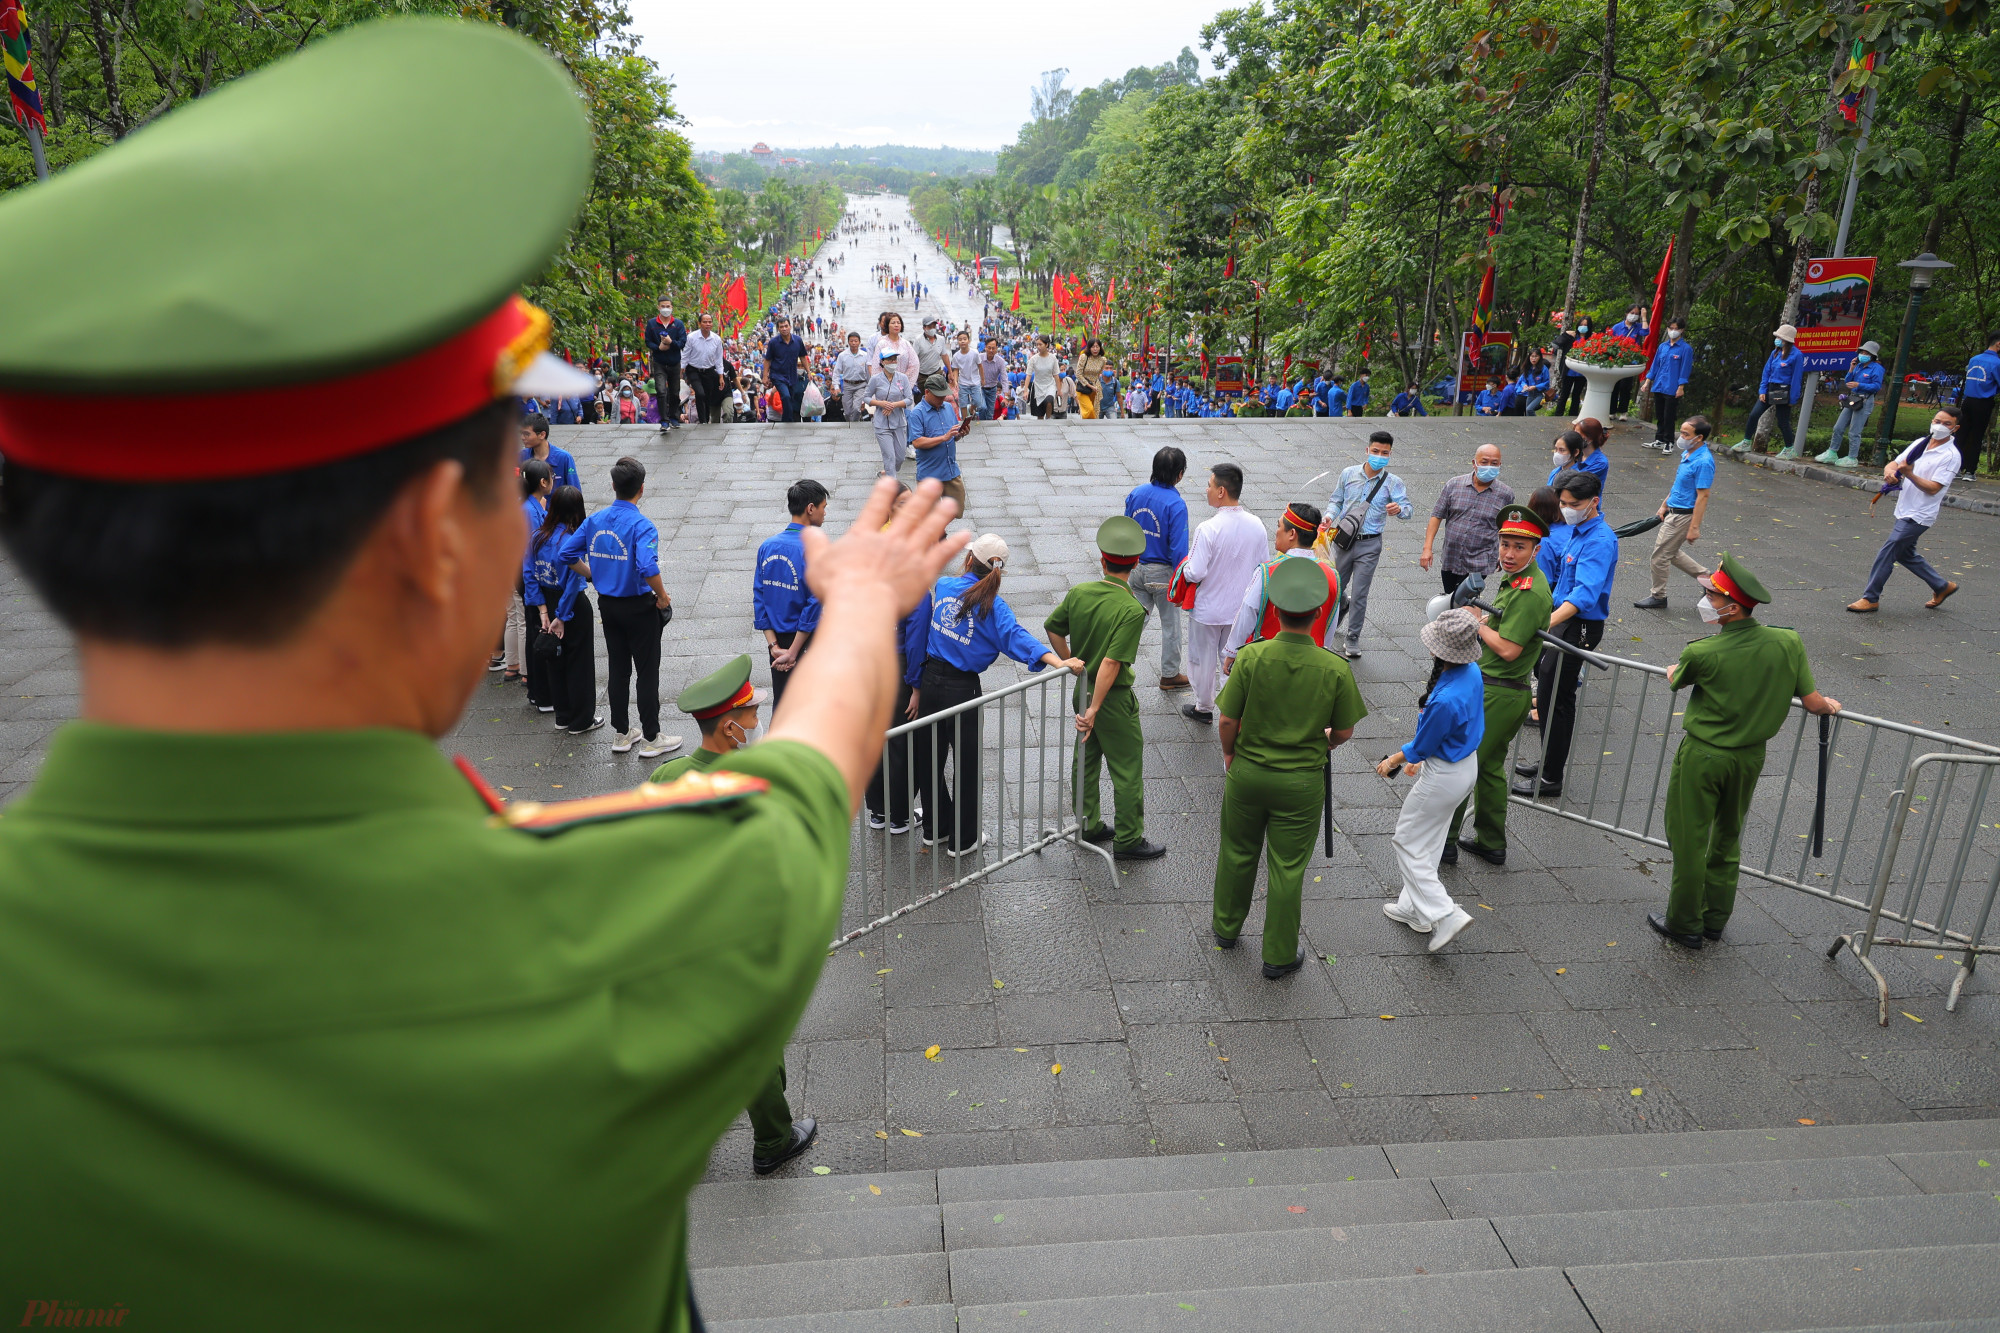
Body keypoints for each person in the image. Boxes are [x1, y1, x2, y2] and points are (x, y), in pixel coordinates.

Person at [0, 20, 974, 1329]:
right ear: (418, 533)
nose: (523, 522)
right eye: (504, 480)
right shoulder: (626, 929)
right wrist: (862, 594)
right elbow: (807, 774)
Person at [643, 656, 815, 1173]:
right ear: (729, 727)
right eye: (751, 715)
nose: (756, 723)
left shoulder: (667, 774)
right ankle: (773, 1140)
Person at [1653, 555, 1842, 948]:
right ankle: (1715, 919)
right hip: (1750, 757)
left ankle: (1685, 921)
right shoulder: (1787, 641)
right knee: (1727, 836)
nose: (1704, 599)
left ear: (1732, 606)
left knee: (1688, 839)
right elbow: (1812, 701)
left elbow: (1677, 677)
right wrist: (1829, 706)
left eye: (1710, 594)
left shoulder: (1702, 652)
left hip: (1704, 756)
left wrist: (1674, 669)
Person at [1213, 558, 1369, 977]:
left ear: (1275, 610)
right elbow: (1345, 731)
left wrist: (1230, 753)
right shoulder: (1335, 668)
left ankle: (1226, 929)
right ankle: (1278, 955)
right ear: (1319, 613)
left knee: (1237, 851)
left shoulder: (1250, 658)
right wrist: (1324, 742)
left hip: (1248, 773)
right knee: (1286, 867)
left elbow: (1227, 719)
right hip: (1301, 781)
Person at [918, 535, 1081, 857]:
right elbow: (1016, 637)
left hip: (929, 681)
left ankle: (935, 829)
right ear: (999, 571)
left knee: (928, 759)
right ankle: (963, 841)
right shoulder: (994, 606)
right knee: (965, 765)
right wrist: (1059, 661)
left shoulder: (946, 586)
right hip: (963, 688)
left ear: (968, 560)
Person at [1048, 517, 1165, 860]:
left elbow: (1053, 628)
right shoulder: (1131, 609)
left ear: (1102, 560)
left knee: (1085, 759)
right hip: (1110, 699)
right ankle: (1128, 838)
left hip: (1083, 689)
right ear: (1135, 563)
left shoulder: (1080, 592)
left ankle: (1087, 823)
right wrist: (1097, 707)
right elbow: (1112, 664)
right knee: (1126, 769)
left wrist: (1072, 662)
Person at [1445, 504, 1551, 867]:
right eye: (1505, 543)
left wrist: (1476, 622)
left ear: (1535, 550)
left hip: (1499, 690)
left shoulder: (1529, 591)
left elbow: (1508, 649)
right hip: (1500, 690)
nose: (1508, 553)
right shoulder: (1516, 580)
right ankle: (1491, 840)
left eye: (1519, 547)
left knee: (1462, 764)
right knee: (1488, 768)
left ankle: (1444, 841)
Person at [1378, 607, 1484, 951]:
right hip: (1464, 764)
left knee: (1407, 839)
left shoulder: (1445, 697)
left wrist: (1397, 758)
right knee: (1431, 837)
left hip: (1445, 773)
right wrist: (1420, 758)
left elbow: (1422, 744)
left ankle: (1443, 912)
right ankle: (1414, 908)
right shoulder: (1472, 672)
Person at [560, 456, 676, 759]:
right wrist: (662, 596)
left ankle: (622, 734)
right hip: (639, 607)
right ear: (641, 488)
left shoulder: (595, 520)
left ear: (613, 485)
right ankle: (652, 737)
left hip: (608, 606)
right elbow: (648, 566)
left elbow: (567, 552)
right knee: (647, 671)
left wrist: (592, 574)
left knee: (618, 669)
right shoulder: (642, 525)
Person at [1513, 469, 1615, 799]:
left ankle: (1551, 778)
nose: (1567, 508)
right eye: (1564, 503)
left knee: (1556, 700)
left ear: (1593, 502)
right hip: (1563, 621)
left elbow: (1584, 594)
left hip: (1579, 626)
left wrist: (1545, 624)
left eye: (1574, 503)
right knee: (1548, 695)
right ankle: (1548, 762)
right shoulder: (1578, 529)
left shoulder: (1599, 540)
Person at [1847, 406, 1965, 613]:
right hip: (1905, 508)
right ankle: (1942, 586)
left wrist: (1909, 474)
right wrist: (1890, 473)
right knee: (1905, 554)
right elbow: (1895, 463)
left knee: (1889, 550)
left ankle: (1870, 597)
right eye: (1937, 421)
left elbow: (1934, 488)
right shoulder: (1921, 443)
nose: (1939, 426)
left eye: (1947, 424)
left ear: (1955, 428)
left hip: (1919, 514)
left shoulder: (1951, 456)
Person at [1180, 462, 1270, 723]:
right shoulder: (1257, 525)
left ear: (1221, 491)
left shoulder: (1207, 529)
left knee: (1201, 660)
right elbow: (1262, 568)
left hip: (1207, 609)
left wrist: (1184, 567)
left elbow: (1195, 572)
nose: (1206, 490)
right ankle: (1233, 710)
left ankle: (1204, 706)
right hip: (1240, 610)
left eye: (1209, 485)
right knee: (1231, 660)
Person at [526, 484, 607, 735]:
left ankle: (562, 715)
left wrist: (543, 611)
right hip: (570, 607)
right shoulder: (570, 541)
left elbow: (529, 574)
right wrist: (561, 616)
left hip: (546, 602)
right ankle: (581, 720)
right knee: (579, 662)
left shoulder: (537, 537)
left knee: (555, 660)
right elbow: (573, 583)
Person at [1325, 431, 1412, 660]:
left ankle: (1353, 636)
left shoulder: (1393, 482)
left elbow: (1408, 510)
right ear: (1367, 450)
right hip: (1343, 540)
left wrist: (1399, 510)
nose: (1379, 456)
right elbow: (1336, 500)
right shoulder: (1348, 474)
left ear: (1390, 454)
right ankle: (1340, 607)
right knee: (1335, 587)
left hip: (1370, 544)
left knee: (1360, 592)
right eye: (1375, 451)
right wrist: (1328, 517)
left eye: (1384, 453)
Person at [1223, 503, 1338, 668]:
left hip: (1267, 663)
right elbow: (1329, 626)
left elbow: (1247, 612)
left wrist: (1232, 652)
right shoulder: (1332, 577)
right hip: (1312, 666)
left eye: (1279, 526)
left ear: (1292, 534)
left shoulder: (1267, 572)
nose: (1276, 531)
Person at [754, 479, 828, 712]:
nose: (825, 514)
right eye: (824, 507)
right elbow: (814, 603)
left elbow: (760, 597)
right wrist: (794, 652)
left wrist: (773, 646)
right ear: (810, 508)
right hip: (805, 642)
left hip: (777, 643)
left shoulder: (767, 546)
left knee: (783, 703)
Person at [1125, 446, 1192, 691]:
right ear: (1179, 475)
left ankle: (1114, 661)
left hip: (1135, 568)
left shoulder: (1136, 494)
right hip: (1162, 574)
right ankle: (1170, 674)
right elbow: (1178, 549)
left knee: (1133, 621)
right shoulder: (1176, 504)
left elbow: (1126, 528)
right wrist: (1182, 580)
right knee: (1171, 626)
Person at [1633, 415, 1716, 609]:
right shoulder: (1687, 453)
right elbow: (1680, 484)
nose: (1682, 437)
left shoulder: (1703, 462)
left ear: (1700, 437)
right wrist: (1664, 504)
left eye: (1687, 434)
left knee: (1660, 556)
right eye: (1682, 432)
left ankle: (1658, 596)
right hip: (1674, 510)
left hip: (1683, 515)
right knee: (1670, 551)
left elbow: (1703, 496)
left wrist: (1694, 527)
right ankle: (1707, 577)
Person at [1421, 443, 1513, 594]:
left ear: (1500, 465)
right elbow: (1437, 515)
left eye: (1494, 463)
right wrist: (1427, 549)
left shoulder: (1505, 494)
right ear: (1474, 463)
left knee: (1466, 600)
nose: (1489, 466)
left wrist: (1501, 552)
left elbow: (1506, 528)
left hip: (1480, 560)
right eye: (1484, 462)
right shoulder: (1454, 485)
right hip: (1452, 556)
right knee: (1450, 597)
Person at [1732, 323, 1805, 453]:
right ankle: (1746, 442)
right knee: (1754, 415)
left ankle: (1789, 449)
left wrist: (1792, 399)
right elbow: (1766, 372)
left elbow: (1796, 378)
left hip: (1783, 390)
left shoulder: (1797, 355)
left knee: (1782, 422)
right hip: (1769, 389)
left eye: (1779, 337)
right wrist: (1762, 390)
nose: (1777, 339)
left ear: (1786, 340)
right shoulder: (1775, 353)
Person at [513, 458, 553, 690]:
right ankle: (537, 685)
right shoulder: (528, 510)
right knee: (534, 627)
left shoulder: (533, 505)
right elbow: (530, 552)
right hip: (529, 576)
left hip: (528, 574)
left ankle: (535, 684)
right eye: (550, 477)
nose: (553, 481)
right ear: (542, 482)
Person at [908, 371, 970, 518]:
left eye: (944, 395)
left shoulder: (948, 407)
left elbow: (953, 436)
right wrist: (943, 437)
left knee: (957, 510)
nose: (942, 398)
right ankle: (938, 536)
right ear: (927, 392)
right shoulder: (917, 413)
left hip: (950, 471)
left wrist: (960, 434)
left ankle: (939, 532)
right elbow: (917, 442)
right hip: (930, 474)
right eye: (938, 395)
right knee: (929, 516)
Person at [1815, 340, 1885, 469]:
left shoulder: (1877, 369)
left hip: (1864, 401)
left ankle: (1852, 457)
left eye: (1866, 353)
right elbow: (1848, 381)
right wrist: (1851, 369)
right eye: (1862, 352)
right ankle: (1832, 452)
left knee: (1854, 431)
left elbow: (1876, 386)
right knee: (1838, 427)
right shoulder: (1858, 366)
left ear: (1872, 355)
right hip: (1853, 399)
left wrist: (1859, 385)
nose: (1863, 354)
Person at [1640, 317, 1694, 451]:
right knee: (1659, 415)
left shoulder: (1685, 349)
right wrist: (1647, 381)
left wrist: (1681, 387)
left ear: (1681, 330)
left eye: (1676, 329)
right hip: (1659, 384)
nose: (1673, 331)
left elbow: (1685, 369)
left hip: (1672, 387)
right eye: (1671, 328)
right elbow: (1655, 365)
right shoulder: (1662, 347)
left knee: (1669, 416)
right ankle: (1659, 439)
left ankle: (1669, 441)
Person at [1957, 330, 2000, 478]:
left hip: (1967, 401)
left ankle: (1955, 468)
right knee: (1976, 436)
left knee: (1961, 434)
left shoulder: (1974, 359)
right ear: (1998, 344)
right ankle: (1970, 471)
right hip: (1983, 402)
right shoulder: (1997, 363)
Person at [866, 347, 913, 476]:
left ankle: (888, 472)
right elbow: (866, 397)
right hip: (881, 423)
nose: (893, 362)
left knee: (900, 457)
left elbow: (909, 399)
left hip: (899, 422)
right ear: (882, 362)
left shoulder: (902, 378)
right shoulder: (875, 379)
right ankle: (892, 488)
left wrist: (894, 405)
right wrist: (880, 403)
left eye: (894, 359)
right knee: (890, 457)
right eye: (889, 359)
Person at [645, 294, 686, 432]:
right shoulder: (652, 324)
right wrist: (658, 348)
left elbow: (682, 342)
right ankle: (664, 421)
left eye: (668, 306)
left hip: (675, 363)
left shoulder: (678, 324)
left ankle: (674, 417)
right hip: (659, 363)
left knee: (675, 392)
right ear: (658, 307)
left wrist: (671, 343)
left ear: (672, 307)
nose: (665, 309)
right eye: (663, 306)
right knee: (661, 391)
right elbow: (647, 341)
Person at [519, 409, 581, 491]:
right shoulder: (520, 456)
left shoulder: (564, 458)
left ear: (542, 435)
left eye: (526, 434)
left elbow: (575, 493)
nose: (522, 437)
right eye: (521, 433)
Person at [682, 310, 725, 423]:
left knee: (707, 396)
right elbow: (685, 355)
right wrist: (681, 371)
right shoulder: (691, 337)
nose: (708, 324)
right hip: (693, 370)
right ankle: (702, 420)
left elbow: (718, 359)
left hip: (709, 371)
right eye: (705, 322)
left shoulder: (716, 339)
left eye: (710, 322)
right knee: (700, 393)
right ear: (699, 323)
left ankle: (706, 419)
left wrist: (720, 376)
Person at [763, 315, 808, 422]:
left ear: (790, 327)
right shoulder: (774, 342)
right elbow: (767, 360)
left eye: (786, 326)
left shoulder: (797, 340)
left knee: (790, 400)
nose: (784, 328)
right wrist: (765, 376)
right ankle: (789, 421)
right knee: (786, 397)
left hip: (792, 375)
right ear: (778, 329)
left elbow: (802, 357)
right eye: (781, 327)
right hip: (778, 375)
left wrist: (809, 371)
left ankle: (785, 419)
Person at [1608, 302, 1649, 420]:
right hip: (1617, 361)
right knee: (1615, 386)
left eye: (1636, 314)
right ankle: (1612, 411)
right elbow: (1610, 342)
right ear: (1626, 313)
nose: (1634, 316)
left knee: (1626, 387)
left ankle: (1623, 412)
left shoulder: (1638, 327)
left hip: (1630, 362)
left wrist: (1644, 317)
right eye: (1632, 313)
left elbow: (1646, 332)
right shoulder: (1617, 327)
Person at [836, 330, 873, 423]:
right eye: (851, 341)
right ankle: (850, 423)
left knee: (857, 409)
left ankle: (854, 425)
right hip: (847, 385)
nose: (853, 343)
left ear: (859, 342)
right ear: (848, 342)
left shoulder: (865, 355)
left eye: (856, 341)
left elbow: (868, 373)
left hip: (861, 385)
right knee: (847, 412)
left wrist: (870, 387)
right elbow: (836, 372)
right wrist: (836, 386)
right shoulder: (842, 356)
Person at [951, 328, 984, 421]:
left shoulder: (974, 353)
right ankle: (965, 421)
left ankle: (972, 408)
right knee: (963, 403)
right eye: (960, 339)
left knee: (978, 401)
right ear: (957, 341)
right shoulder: (956, 356)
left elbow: (980, 366)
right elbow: (956, 370)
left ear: (968, 340)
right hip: (963, 382)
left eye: (964, 339)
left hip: (975, 381)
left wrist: (982, 379)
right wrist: (955, 381)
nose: (962, 341)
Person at [1026, 336, 1060, 418]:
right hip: (1038, 386)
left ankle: (1048, 418)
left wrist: (1059, 390)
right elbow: (1029, 375)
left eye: (1040, 344)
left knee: (1049, 401)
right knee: (1040, 414)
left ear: (1046, 345)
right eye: (1037, 345)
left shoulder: (1053, 358)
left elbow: (1056, 375)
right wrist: (1025, 390)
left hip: (1050, 385)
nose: (1038, 347)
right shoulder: (1034, 359)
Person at [1076, 338, 1108, 419]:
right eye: (1093, 347)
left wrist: (1095, 386)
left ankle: (1093, 430)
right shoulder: (1084, 357)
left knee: (1095, 412)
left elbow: (1099, 373)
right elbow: (1078, 374)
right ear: (1089, 348)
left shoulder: (1102, 360)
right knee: (1089, 410)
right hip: (1083, 387)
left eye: (1097, 347)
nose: (1095, 349)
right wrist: (1090, 386)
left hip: (1096, 389)